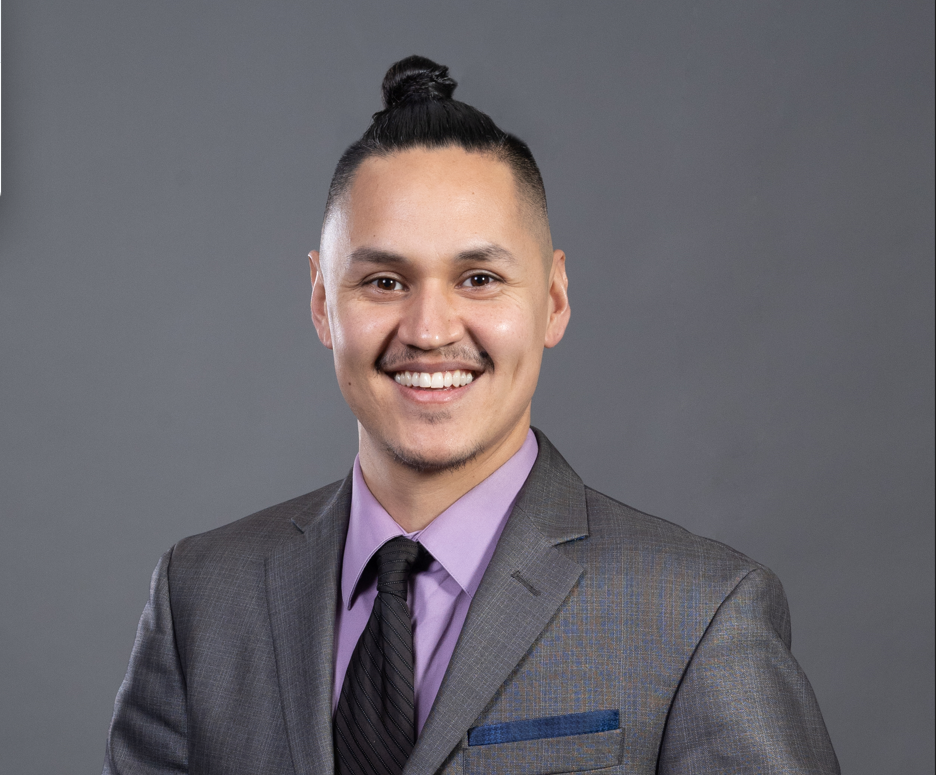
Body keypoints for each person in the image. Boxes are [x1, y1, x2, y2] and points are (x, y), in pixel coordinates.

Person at [103, 56, 840, 775]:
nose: (429, 328)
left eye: (479, 278)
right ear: (323, 301)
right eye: (384, 280)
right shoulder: (200, 596)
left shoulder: (698, 613)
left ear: (552, 299)